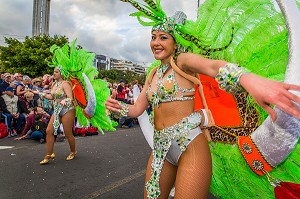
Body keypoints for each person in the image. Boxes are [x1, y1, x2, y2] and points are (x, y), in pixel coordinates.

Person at [106, 2, 300, 199]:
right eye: (153, 37)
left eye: (163, 38)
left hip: (190, 147)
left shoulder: (182, 61)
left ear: (175, 43)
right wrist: (119, 108)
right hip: (161, 149)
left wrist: (247, 78)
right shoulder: (153, 74)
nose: (156, 43)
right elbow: (136, 109)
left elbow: (213, 67)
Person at [39, 66, 76, 165]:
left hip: (67, 110)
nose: (54, 73)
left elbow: (70, 98)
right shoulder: (54, 84)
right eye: (53, 72)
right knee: (49, 131)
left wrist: (65, 100)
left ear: (61, 73)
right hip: (57, 110)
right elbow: (52, 96)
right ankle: (49, 154)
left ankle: (73, 151)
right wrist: (41, 94)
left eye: (56, 72)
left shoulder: (66, 84)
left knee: (68, 133)